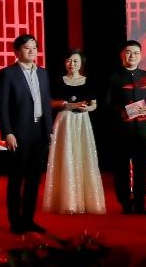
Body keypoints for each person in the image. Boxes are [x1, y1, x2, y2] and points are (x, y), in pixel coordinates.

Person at [0, 34, 53, 234]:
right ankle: (15, 222)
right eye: (27, 48)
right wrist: (7, 132)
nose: (32, 51)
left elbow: (46, 104)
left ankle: (29, 219)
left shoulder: (43, 73)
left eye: (34, 47)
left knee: (34, 179)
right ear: (17, 51)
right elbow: (2, 106)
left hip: (40, 132)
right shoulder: (7, 74)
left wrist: (49, 130)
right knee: (16, 179)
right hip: (19, 133)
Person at [104, 40, 146, 215]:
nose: (132, 56)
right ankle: (125, 203)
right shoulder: (114, 77)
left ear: (141, 55)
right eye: (129, 52)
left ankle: (140, 204)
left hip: (144, 132)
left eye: (136, 52)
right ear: (122, 55)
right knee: (121, 170)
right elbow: (108, 103)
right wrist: (121, 111)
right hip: (121, 132)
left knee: (141, 169)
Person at [43, 49, 107, 216]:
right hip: (64, 121)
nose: (72, 64)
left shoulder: (88, 81)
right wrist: (67, 105)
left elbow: (94, 105)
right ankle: (67, 201)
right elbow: (50, 103)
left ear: (81, 63)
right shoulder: (58, 81)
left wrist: (87, 108)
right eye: (69, 60)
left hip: (82, 121)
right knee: (65, 156)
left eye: (75, 61)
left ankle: (86, 201)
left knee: (83, 155)